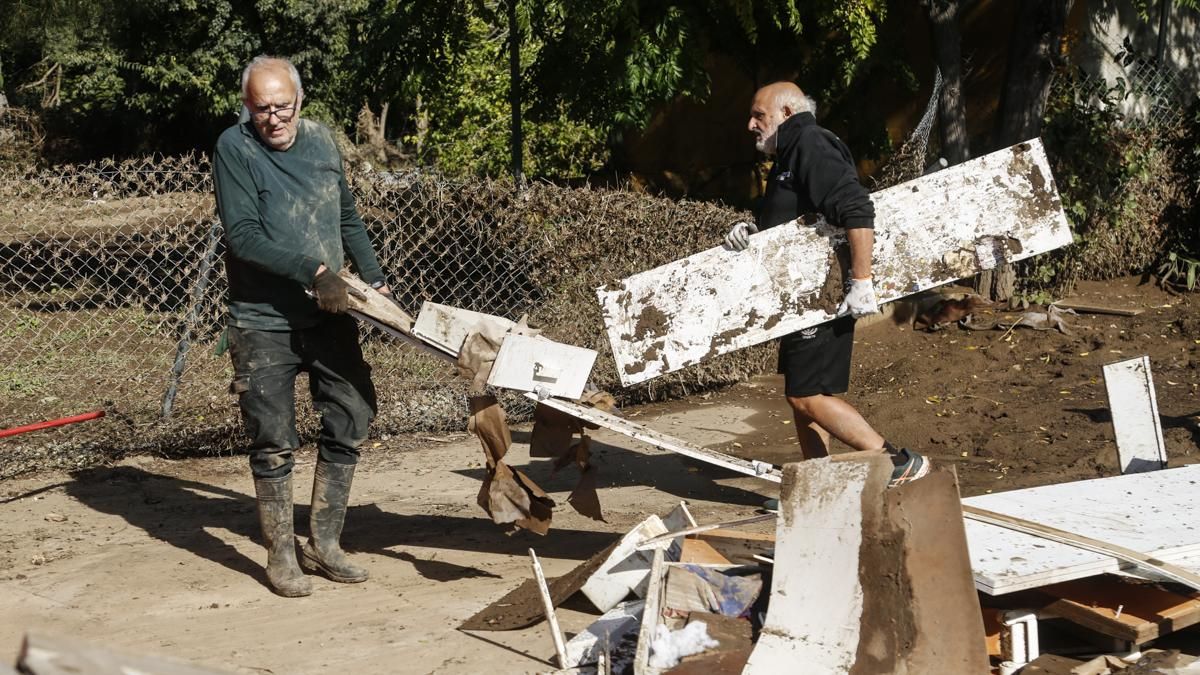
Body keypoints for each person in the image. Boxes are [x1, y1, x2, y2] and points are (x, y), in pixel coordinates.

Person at [213, 55, 391, 597]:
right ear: (248, 108)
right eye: (262, 108)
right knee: (273, 439)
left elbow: (345, 218)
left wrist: (376, 283)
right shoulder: (234, 149)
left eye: (283, 107)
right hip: (263, 320)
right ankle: (281, 556)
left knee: (352, 414)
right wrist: (315, 270)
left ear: (300, 101)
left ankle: (325, 543)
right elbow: (242, 236)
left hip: (330, 313)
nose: (274, 119)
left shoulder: (320, 141)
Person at [725, 81, 929, 493]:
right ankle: (821, 484)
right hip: (803, 299)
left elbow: (855, 207)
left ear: (786, 113)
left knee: (806, 396)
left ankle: (896, 462)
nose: (750, 124)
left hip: (826, 295)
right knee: (803, 398)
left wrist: (862, 282)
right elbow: (796, 220)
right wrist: (752, 232)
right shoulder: (789, 153)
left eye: (758, 115)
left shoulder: (810, 143)